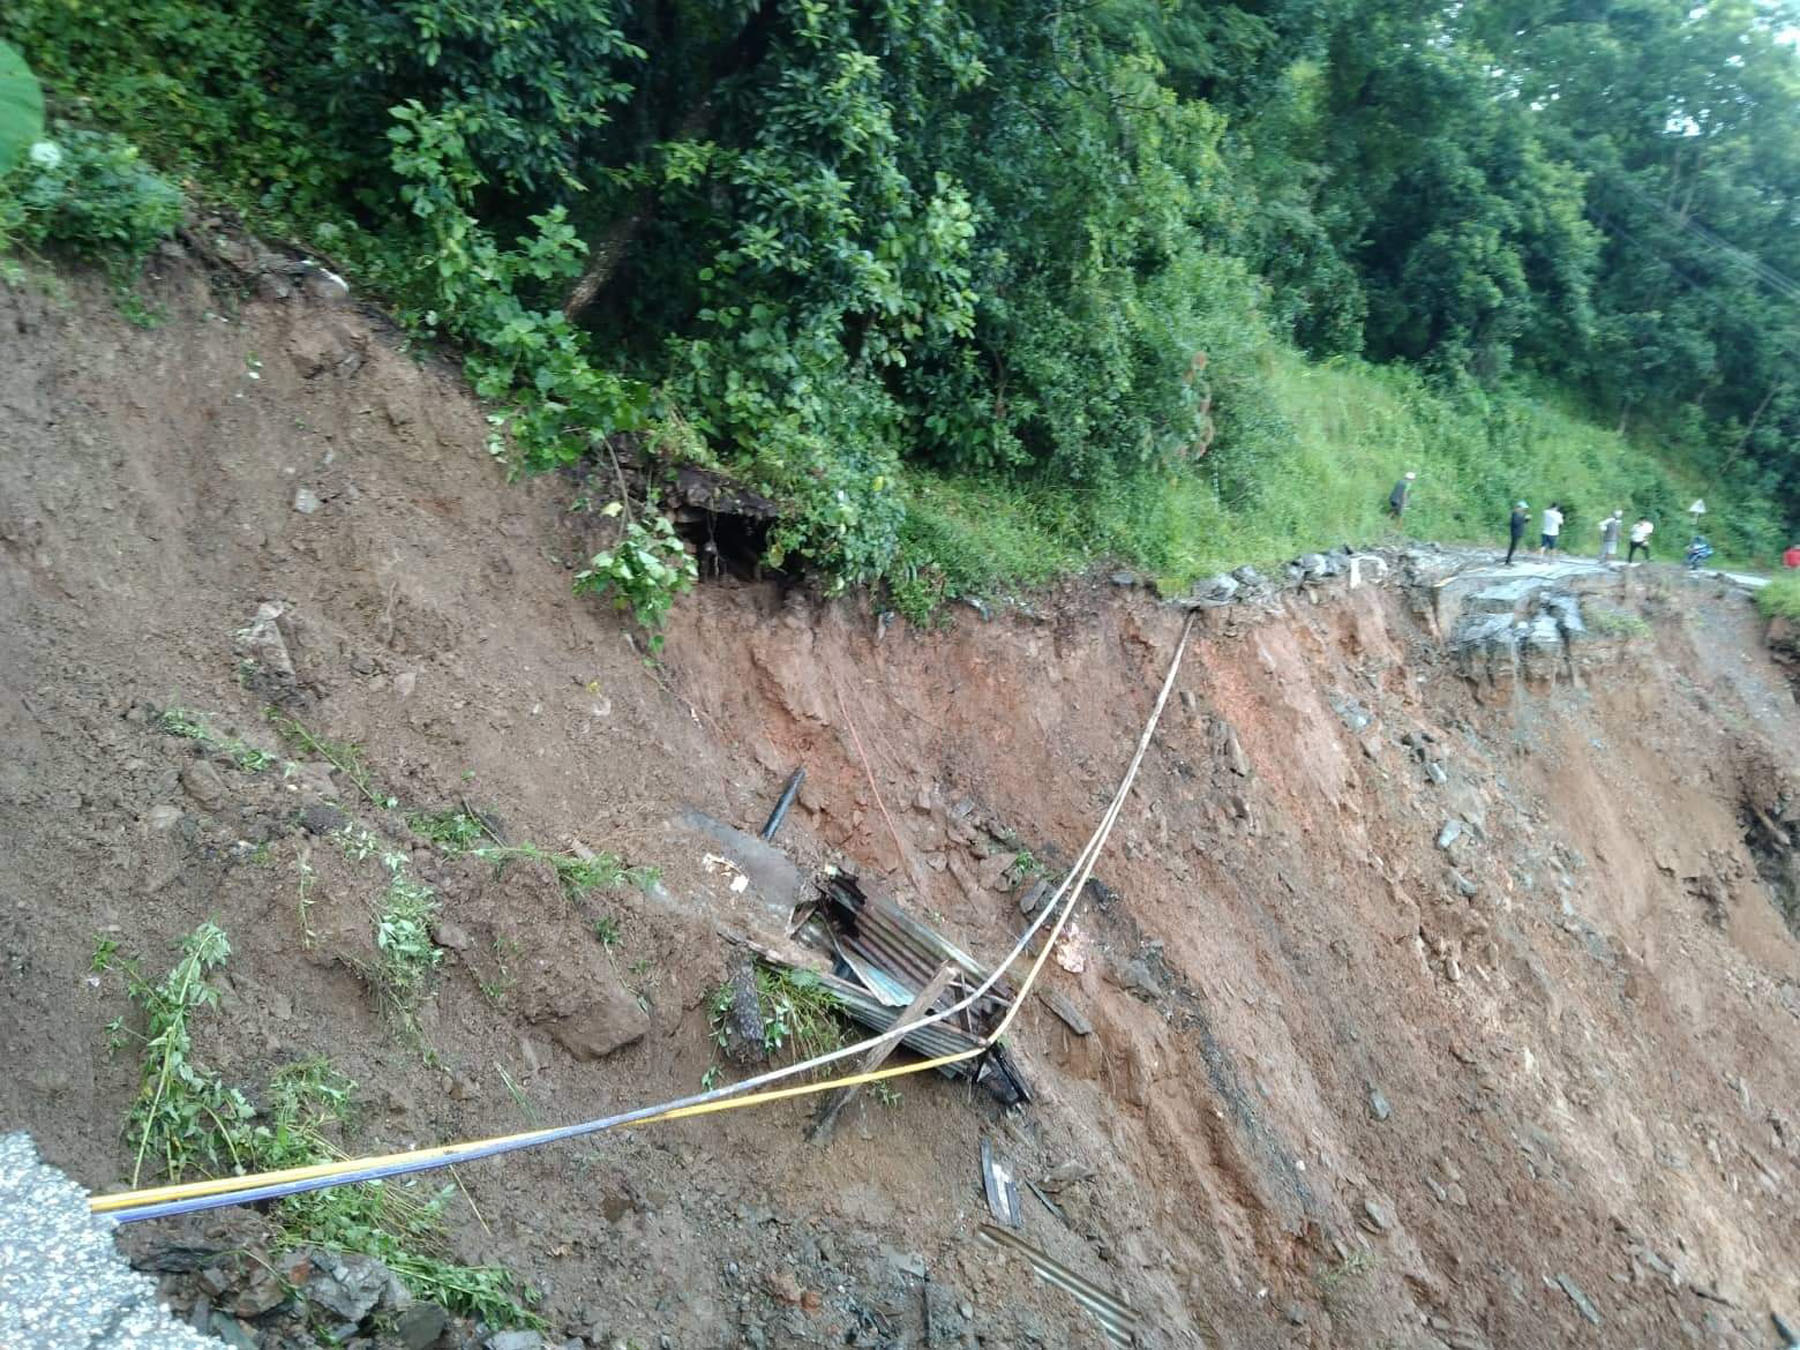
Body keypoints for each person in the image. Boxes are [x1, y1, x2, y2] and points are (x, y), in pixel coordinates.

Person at [1505, 500, 1529, 565]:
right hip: (1515, 532)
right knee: (1513, 546)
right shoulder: (1515, 513)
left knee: (1514, 546)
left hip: (1518, 532)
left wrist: (1526, 520)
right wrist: (1523, 518)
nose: (1523, 509)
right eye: (1523, 508)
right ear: (1519, 507)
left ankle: (1508, 559)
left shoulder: (1519, 514)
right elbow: (1516, 523)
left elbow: (1521, 522)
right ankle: (1508, 560)